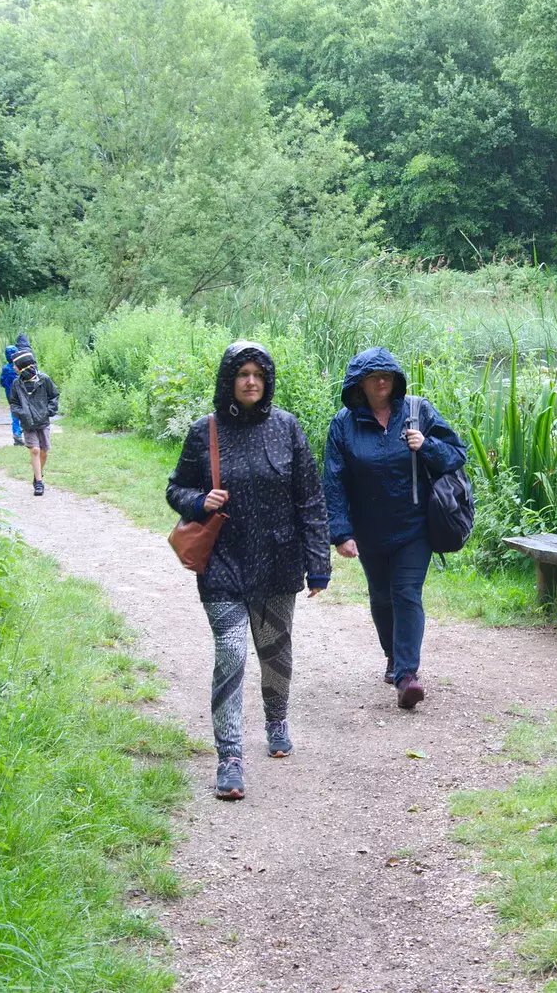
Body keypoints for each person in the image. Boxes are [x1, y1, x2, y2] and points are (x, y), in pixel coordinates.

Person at [166, 342, 331, 801]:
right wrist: (200, 501)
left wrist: (318, 564)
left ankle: (276, 719)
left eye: (259, 374)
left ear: (268, 379)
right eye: (243, 374)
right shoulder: (206, 432)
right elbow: (176, 488)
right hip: (223, 563)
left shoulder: (287, 428)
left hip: (279, 560)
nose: (251, 382)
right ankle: (230, 756)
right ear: (229, 380)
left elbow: (310, 500)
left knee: (275, 651)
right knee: (233, 653)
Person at [322, 347, 466, 710]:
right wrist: (340, 532)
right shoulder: (343, 424)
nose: (381, 381)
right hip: (369, 530)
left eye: (387, 375)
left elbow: (456, 454)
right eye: (373, 376)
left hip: (415, 526)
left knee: (406, 593)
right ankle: (392, 656)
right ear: (359, 383)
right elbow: (334, 481)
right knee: (382, 597)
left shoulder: (419, 412)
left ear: (396, 379)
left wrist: (426, 445)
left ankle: (407, 677)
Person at [8, 350, 59, 496]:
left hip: (43, 422)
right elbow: (14, 402)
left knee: (43, 451)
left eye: (15, 365)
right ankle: (38, 482)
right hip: (28, 422)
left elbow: (54, 396)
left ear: (23, 366)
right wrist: (22, 414)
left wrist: (47, 411)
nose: (13, 368)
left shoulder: (43, 379)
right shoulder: (16, 384)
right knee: (34, 450)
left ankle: (38, 473)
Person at [0, 345, 24, 447]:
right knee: (24, 415)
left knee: (15, 417)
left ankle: (17, 435)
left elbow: (2, 382)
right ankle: (21, 434)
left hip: (11, 397)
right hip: (22, 396)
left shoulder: (5, 369)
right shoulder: (21, 367)